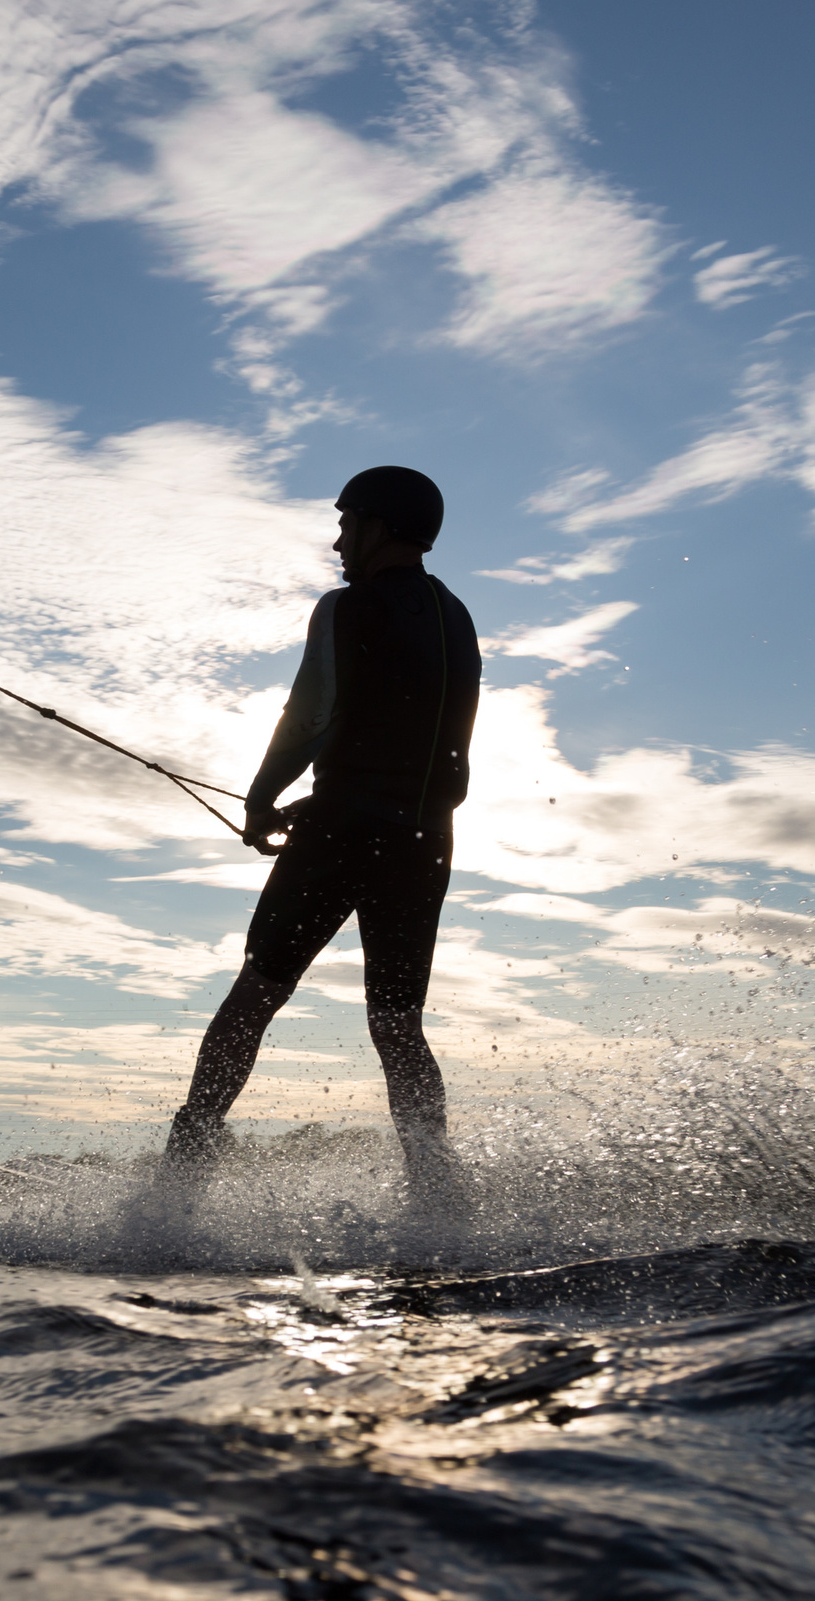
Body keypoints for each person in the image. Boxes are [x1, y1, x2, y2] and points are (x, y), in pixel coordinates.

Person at [161, 466, 481, 1209]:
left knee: (257, 993)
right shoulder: (457, 616)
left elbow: (311, 713)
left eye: (347, 523)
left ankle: (179, 1183)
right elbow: (409, 735)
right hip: (426, 840)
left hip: (341, 833)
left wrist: (265, 796)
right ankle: (438, 1193)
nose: (337, 540)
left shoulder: (346, 607)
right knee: (398, 1024)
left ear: (380, 526)